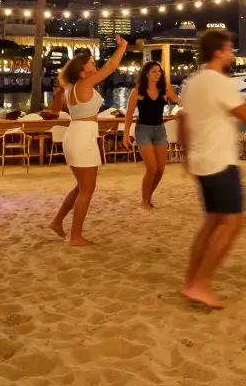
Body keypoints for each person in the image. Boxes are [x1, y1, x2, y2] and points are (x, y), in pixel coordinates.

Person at [180, 29, 246, 309]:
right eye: (229, 49)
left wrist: (187, 157)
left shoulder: (193, 83)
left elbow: (183, 120)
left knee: (212, 221)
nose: (232, 53)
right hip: (220, 161)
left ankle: (191, 280)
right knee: (233, 223)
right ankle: (201, 284)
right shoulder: (220, 81)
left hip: (201, 160)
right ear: (217, 52)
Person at [48, 39, 128, 246]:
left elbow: (55, 110)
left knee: (81, 187)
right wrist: (122, 47)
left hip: (76, 134)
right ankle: (75, 236)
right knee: (87, 188)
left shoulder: (71, 88)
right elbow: (111, 67)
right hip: (82, 137)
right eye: (91, 63)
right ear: (82, 69)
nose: (95, 65)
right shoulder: (84, 85)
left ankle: (57, 222)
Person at [123, 61, 181, 210]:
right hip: (143, 130)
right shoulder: (138, 91)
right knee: (151, 168)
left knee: (160, 169)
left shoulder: (164, 89)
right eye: (154, 71)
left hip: (160, 130)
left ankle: (148, 197)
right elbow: (129, 113)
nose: (157, 74)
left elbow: (177, 99)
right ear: (147, 74)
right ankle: (144, 201)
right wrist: (125, 134)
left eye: (159, 71)